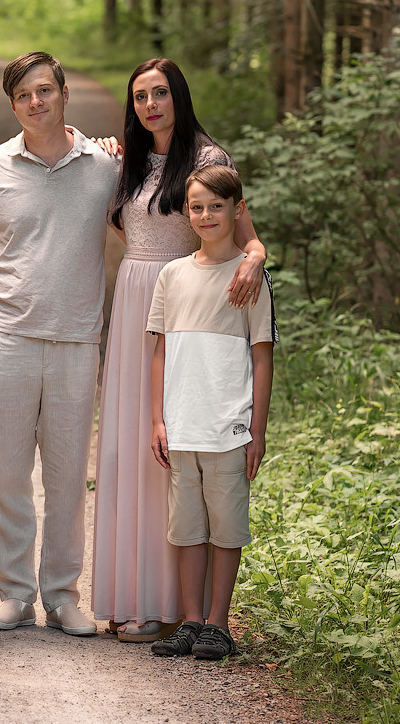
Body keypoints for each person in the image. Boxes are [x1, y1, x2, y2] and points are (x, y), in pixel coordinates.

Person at [93, 58, 269, 642]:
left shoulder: (208, 159)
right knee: (132, 450)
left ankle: (174, 607)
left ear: (179, 97)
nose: (151, 105)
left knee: (169, 462)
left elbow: (246, 233)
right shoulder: (129, 158)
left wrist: (257, 258)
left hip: (189, 306)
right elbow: (122, 222)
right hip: (138, 299)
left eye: (161, 93)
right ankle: (133, 593)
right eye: (141, 95)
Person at [0, 51, 118, 636]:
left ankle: (63, 595)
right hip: (5, 339)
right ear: (13, 104)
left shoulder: (103, 166)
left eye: (45, 90)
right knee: (6, 474)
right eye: (24, 95)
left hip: (77, 341)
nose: (36, 102)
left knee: (68, 476)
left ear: (64, 93)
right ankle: (14, 593)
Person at [146, 165, 275, 660]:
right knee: (187, 529)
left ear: (237, 210)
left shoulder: (249, 276)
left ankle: (218, 624)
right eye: (196, 207)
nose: (206, 215)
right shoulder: (172, 274)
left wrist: (255, 431)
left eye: (216, 206)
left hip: (229, 426)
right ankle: (190, 620)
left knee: (225, 528)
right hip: (182, 425)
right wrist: (159, 419)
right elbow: (160, 352)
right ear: (186, 212)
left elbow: (262, 356)